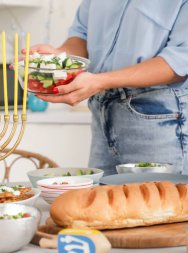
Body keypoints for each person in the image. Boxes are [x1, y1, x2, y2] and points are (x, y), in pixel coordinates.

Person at [30, 0, 188, 175]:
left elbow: (179, 62)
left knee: (154, 198)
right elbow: (81, 35)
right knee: (102, 198)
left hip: (158, 117)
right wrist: (59, 58)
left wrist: (100, 81)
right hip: (101, 110)